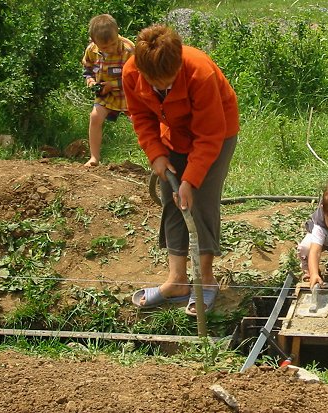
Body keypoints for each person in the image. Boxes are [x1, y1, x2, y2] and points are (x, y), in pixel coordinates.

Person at [123, 24, 239, 316]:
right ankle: (177, 281)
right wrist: (156, 155)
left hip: (217, 132)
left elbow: (209, 136)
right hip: (172, 132)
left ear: (178, 65)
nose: (161, 88)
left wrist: (191, 179)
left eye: (168, 82)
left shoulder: (201, 73)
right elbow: (140, 115)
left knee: (200, 199)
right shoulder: (131, 72)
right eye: (154, 83)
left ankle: (206, 281)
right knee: (170, 197)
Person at [81, 14, 134, 167]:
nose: (110, 49)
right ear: (94, 40)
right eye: (105, 47)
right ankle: (94, 158)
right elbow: (87, 68)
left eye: (113, 44)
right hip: (106, 93)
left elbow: (136, 77)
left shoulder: (129, 50)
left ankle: (154, 161)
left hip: (128, 93)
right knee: (95, 117)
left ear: (117, 34)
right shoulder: (91, 50)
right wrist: (90, 81)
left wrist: (113, 84)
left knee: (141, 125)